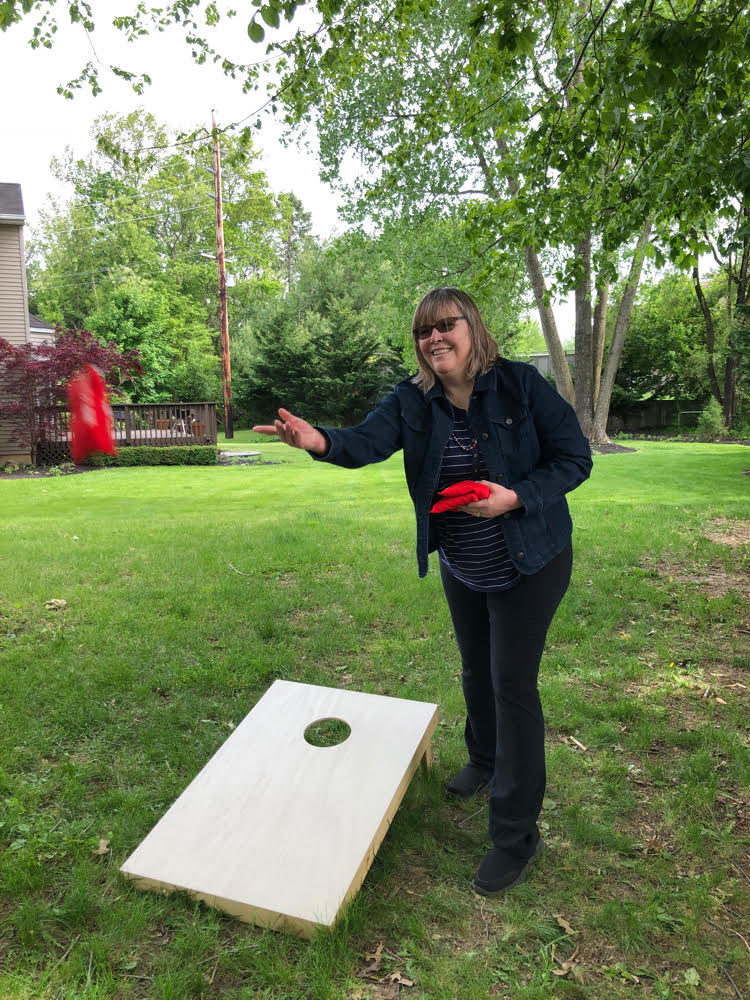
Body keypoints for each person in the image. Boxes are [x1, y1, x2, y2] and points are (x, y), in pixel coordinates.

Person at [253, 287, 592, 896]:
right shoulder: (413, 401)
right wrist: (318, 442)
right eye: (422, 331)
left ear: (473, 329)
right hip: (464, 563)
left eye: (444, 326)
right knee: (473, 670)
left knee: (511, 683)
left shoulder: (519, 386)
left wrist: (514, 496)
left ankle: (515, 838)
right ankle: (485, 761)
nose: (433, 338)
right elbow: (365, 441)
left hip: (531, 560)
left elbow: (574, 458)